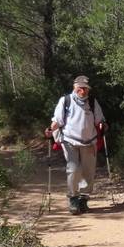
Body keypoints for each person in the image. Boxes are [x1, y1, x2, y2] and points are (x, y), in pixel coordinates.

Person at [47, 75, 107, 215]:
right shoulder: (65, 101)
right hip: (70, 141)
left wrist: (103, 125)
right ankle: (73, 199)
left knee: (88, 171)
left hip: (89, 141)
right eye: (80, 88)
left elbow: (99, 119)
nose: (83, 91)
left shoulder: (92, 102)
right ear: (75, 88)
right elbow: (58, 121)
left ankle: (83, 200)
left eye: (85, 88)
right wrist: (51, 130)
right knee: (73, 169)